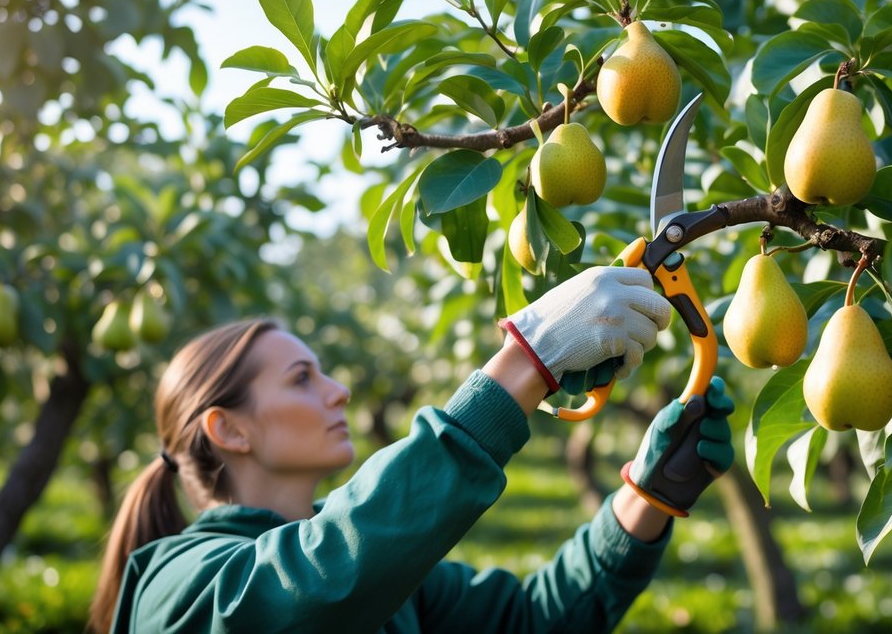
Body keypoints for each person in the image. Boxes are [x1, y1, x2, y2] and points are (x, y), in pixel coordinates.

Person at [89, 266, 737, 633]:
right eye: (300, 379)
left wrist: (644, 498)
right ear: (229, 430)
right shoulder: (176, 590)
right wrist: (522, 363)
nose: (339, 391)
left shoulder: (399, 588)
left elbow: (532, 621)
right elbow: (318, 582)